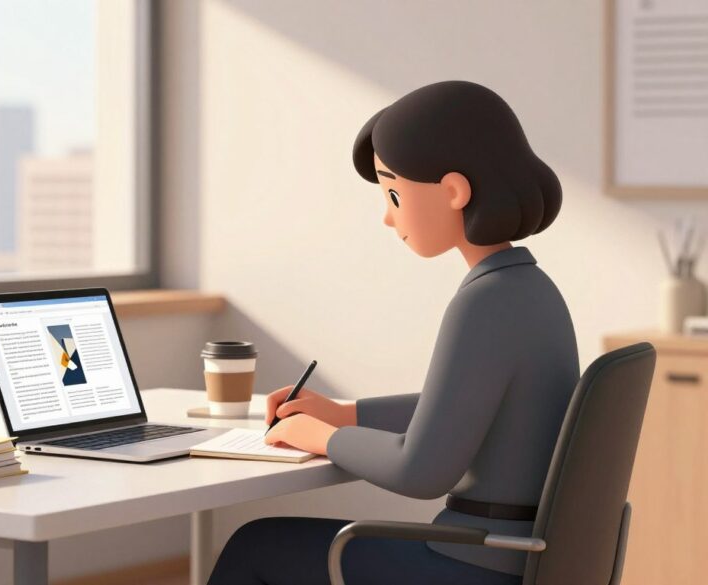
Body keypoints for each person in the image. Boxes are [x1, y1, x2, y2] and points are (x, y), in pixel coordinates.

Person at [208, 81, 579, 585]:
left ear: (453, 191)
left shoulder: (485, 302)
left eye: (395, 194)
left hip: (472, 564)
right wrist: (346, 412)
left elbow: (421, 471)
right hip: (516, 557)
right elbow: (462, 405)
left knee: (256, 545)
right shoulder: (532, 291)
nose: (388, 216)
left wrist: (323, 436)